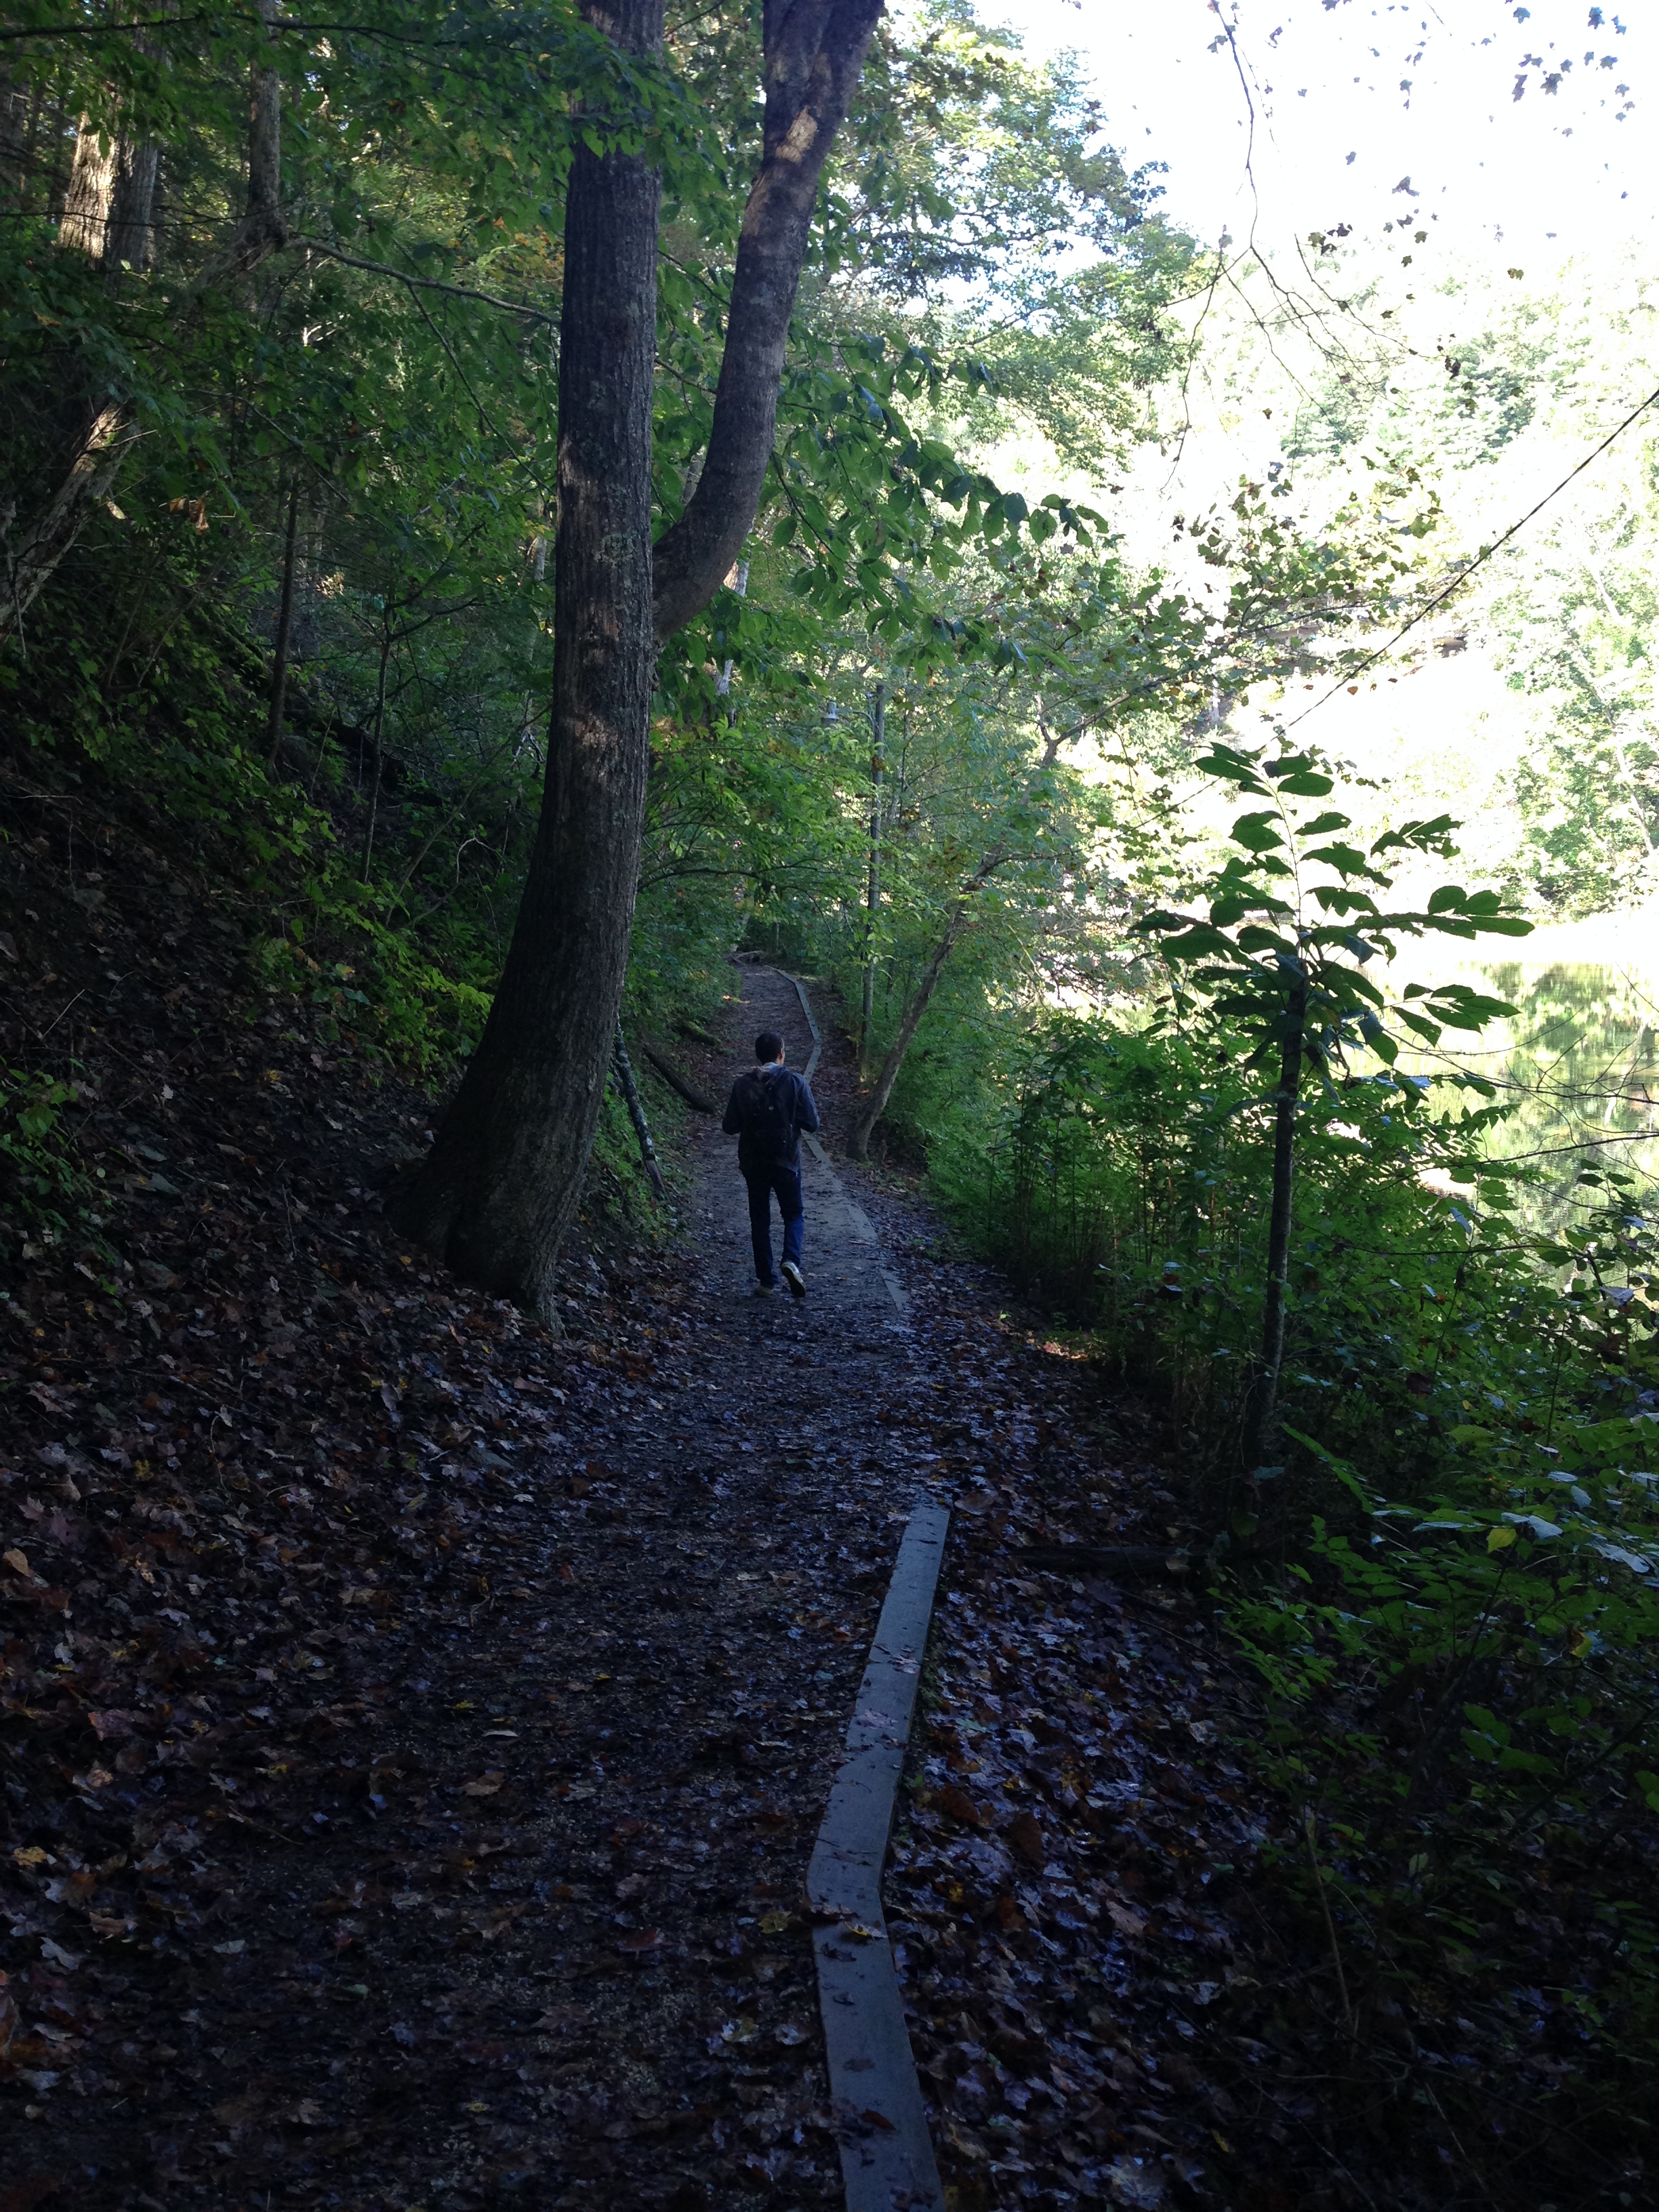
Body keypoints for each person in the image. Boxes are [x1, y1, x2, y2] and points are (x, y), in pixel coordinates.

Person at [722, 1029, 820, 1297]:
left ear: (758, 1055)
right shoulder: (796, 1082)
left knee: (760, 1219)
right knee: (794, 1214)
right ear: (781, 1054)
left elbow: (729, 1126)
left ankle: (766, 1282)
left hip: (753, 1162)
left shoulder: (742, 1084)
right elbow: (813, 1124)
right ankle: (791, 1260)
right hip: (787, 1161)